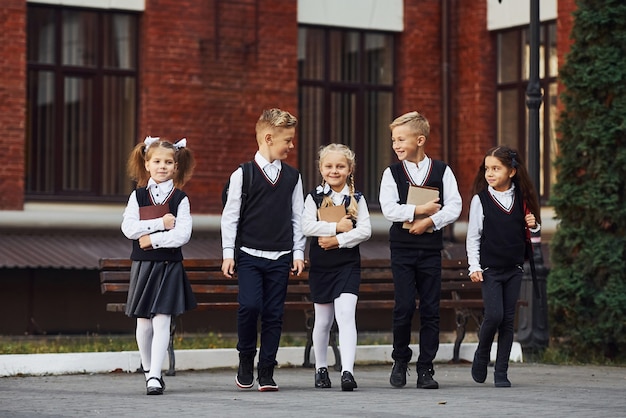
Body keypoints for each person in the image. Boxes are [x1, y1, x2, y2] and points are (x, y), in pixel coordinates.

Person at [221, 108, 306, 392]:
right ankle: (246, 359)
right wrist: (228, 254)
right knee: (249, 306)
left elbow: (297, 217)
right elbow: (230, 216)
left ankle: (267, 369)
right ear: (269, 138)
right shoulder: (242, 175)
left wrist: (297, 253)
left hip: (280, 257)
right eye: (288, 140)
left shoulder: (293, 177)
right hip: (248, 255)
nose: (291, 146)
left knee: (273, 313)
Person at [379, 111, 462, 389]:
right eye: (393, 140)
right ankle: (400, 360)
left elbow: (455, 205)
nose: (396, 145)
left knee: (430, 308)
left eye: (401, 139)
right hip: (402, 249)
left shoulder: (441, 171)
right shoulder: (391, 173)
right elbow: (389, 208)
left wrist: (430, 220)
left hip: (429, 249)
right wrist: (418, 210)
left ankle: (426, 367)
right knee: (403, 306)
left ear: (420, 140)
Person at [121, 136, 197, 395]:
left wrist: (150, 240)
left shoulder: (180, 199)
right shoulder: (137, 196)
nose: (162, 166)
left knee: (163, 319)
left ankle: (156, 375)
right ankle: (147, 368)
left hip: (169, 265)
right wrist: (159, 224)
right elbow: (129, 228)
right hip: (143, 266)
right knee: (143, 322)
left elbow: (182, 235)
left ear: (176, 166)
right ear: (147, 163)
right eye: (157, 161)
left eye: (168, 162)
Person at [466, 145, 541, 388]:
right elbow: (473, 237)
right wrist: (474, 266)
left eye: (496, 168)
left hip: (514, 268)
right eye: (487, 168)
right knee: (494, 315)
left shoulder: (522, 197)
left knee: (508, 321)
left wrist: (534, 224)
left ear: (511, 171)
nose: (490, 173)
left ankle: (501, 372)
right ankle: (481, 353)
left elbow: (534, 232)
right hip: (490, 269)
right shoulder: (481, 200)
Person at [302, 143, 372, 391]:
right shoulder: (314, 197)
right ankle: (321, 368)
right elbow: (306, 227)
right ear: (321, 169)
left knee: (346, 316)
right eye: (329, 166)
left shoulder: (358, 198)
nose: (334, 170)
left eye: (340, 166)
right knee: (322, 321)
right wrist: (335, 227)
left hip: (347, 265)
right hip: (322, 266)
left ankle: (347, 372)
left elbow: (365, 230)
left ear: (349, 169)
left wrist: (338, 240)